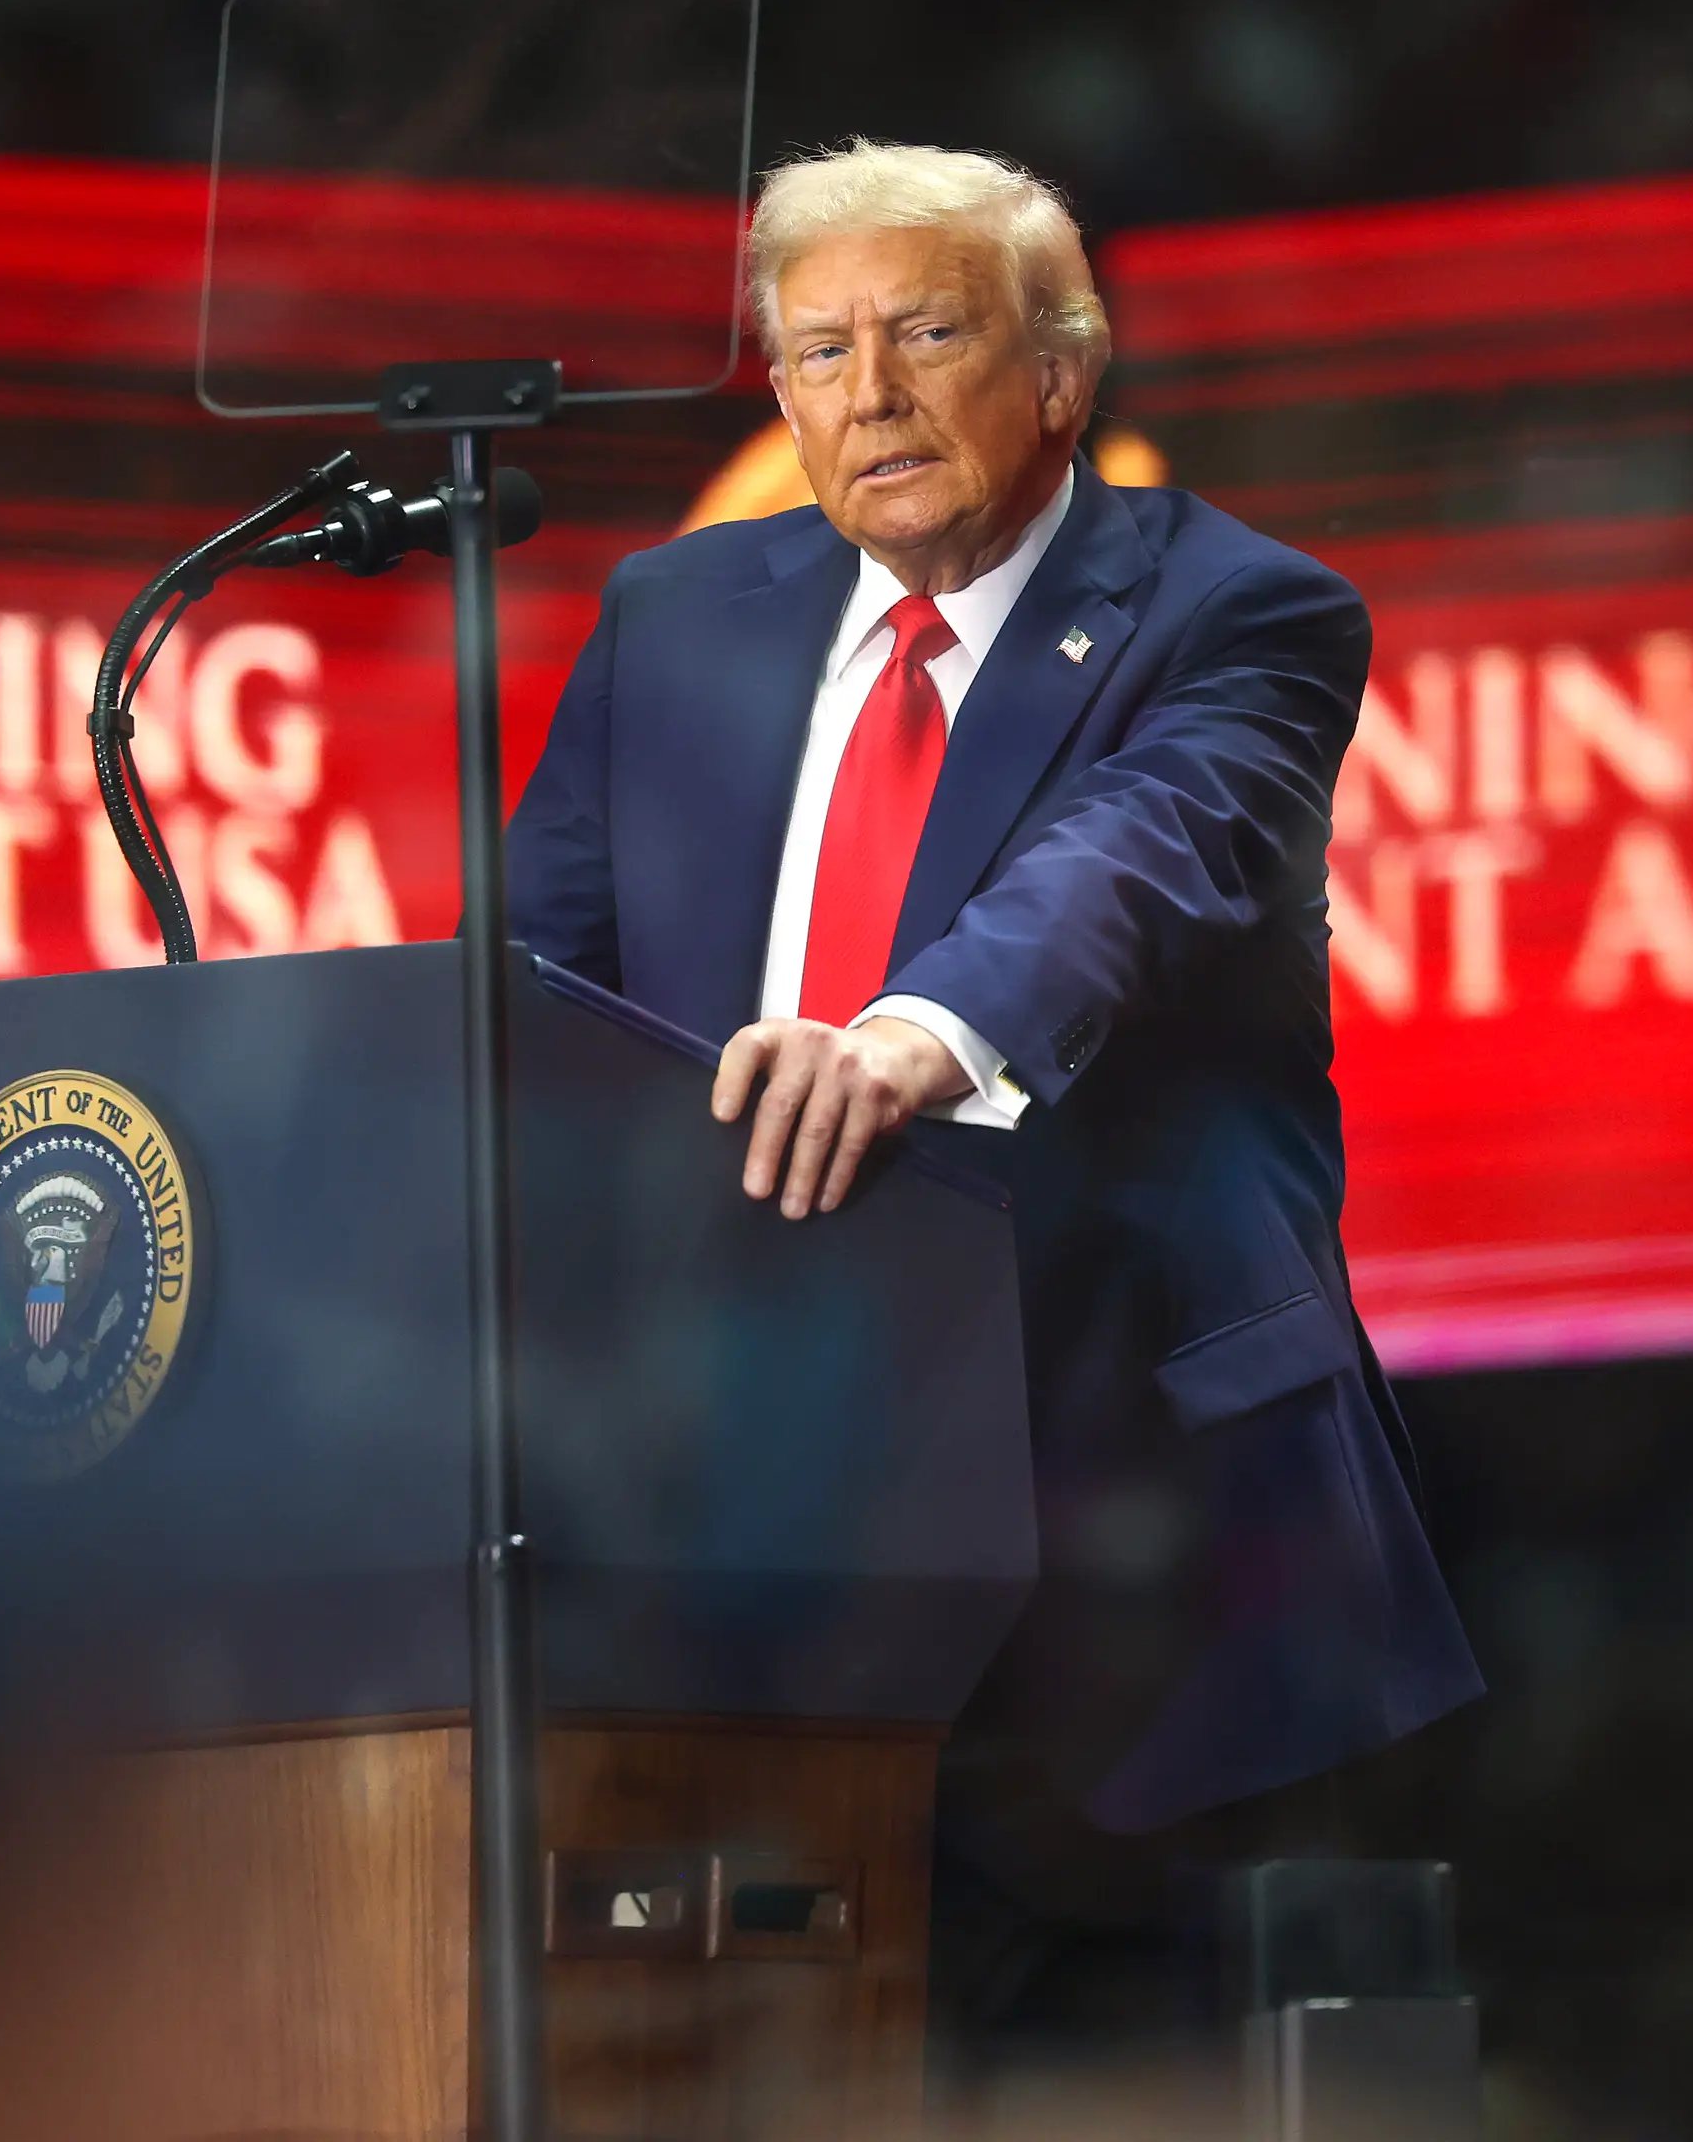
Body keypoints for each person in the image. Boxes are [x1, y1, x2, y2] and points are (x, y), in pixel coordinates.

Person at [506, 141, 1482, 2054]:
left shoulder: (1242, 611)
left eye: (925, 333)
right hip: (747, 1537)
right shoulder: (673, 619)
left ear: (1063, 368)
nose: (866, 395)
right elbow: (530, 992)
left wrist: (912, 1031)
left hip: (1141, 1546)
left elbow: (1133, 861)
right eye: (815, 355)